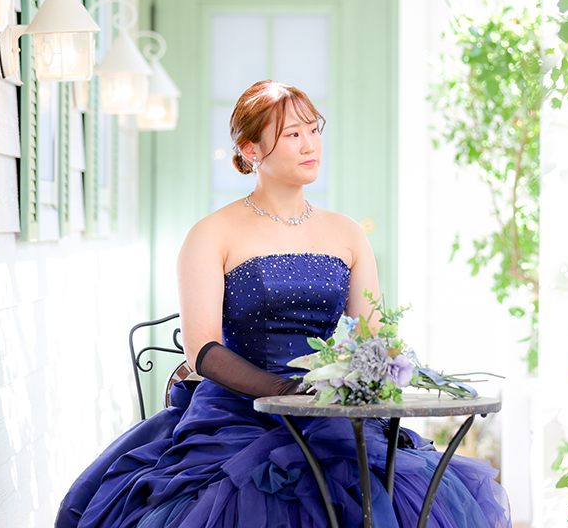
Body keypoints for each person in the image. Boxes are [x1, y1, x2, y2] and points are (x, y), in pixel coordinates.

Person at [55, 80, 511, 528]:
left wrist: (364, 377)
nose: (310, 144)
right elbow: (202, 351)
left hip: (331, 411)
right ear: (250, 150)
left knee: (381, 484)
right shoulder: (212, 233)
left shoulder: (347, 233)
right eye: (293, 134)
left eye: (313, 130)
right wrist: (286, 392)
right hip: (237, 415)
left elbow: (372, 337)